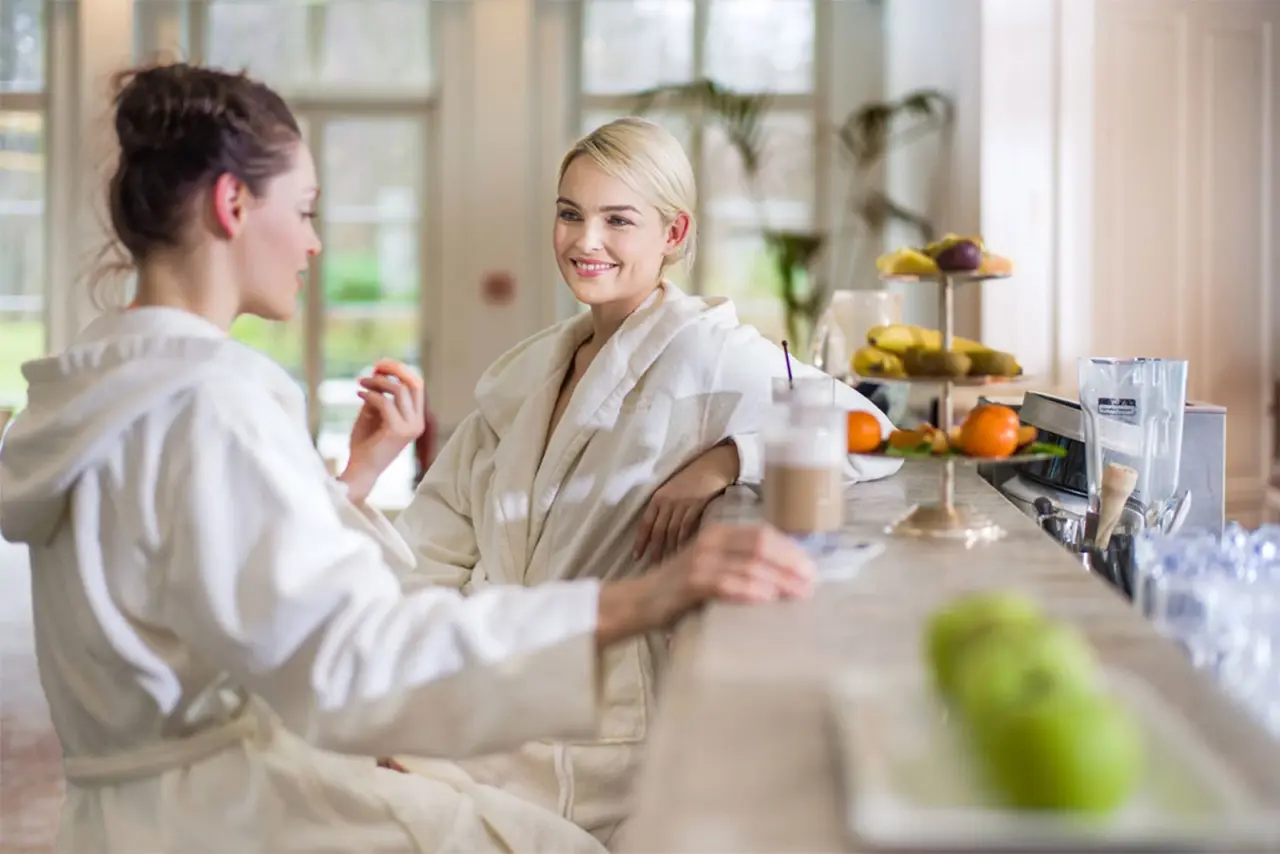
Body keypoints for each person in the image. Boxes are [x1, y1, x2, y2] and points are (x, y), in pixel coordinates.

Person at [0, 63, 819, 854]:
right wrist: (645, 600)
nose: (315, 243)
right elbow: (352, 660)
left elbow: (200, 579)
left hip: (120, 818)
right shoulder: (215, 398)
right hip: (230, 812)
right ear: (232, 203)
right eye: (308, 209)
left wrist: (349, 485)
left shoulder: (97, 387)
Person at [388, 117, 904, 844]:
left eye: (616, 220)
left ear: (673, 232)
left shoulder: (709, 354)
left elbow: (870, 433)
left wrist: (730, 460)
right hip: (482, 703)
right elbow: (430, 547)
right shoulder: (527, 373)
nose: (584, 240)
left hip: (596, 739)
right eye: (569, 214)